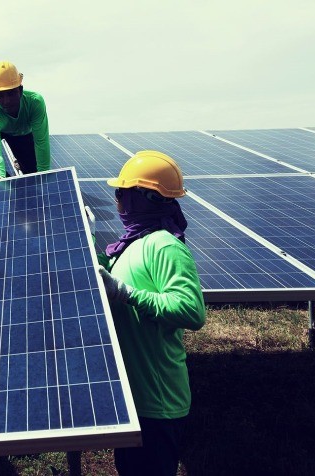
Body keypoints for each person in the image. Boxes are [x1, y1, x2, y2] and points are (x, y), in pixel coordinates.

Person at [96, 150, 206, 476]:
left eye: (122, 192)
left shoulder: (165, 246)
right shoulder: (132, 243)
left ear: (145, 197)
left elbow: (191, 310)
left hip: (158, 403)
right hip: (136, 398)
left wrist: (126, 293)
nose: (117, 200)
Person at [0, 60, 51, 180]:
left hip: (22, 134)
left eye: (11, 93)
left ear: (20, 90)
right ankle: (3, 182)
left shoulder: (35, 102)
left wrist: (44, 175)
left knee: (32, 173)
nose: (7, 101)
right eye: (0, 95)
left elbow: (41, 141)